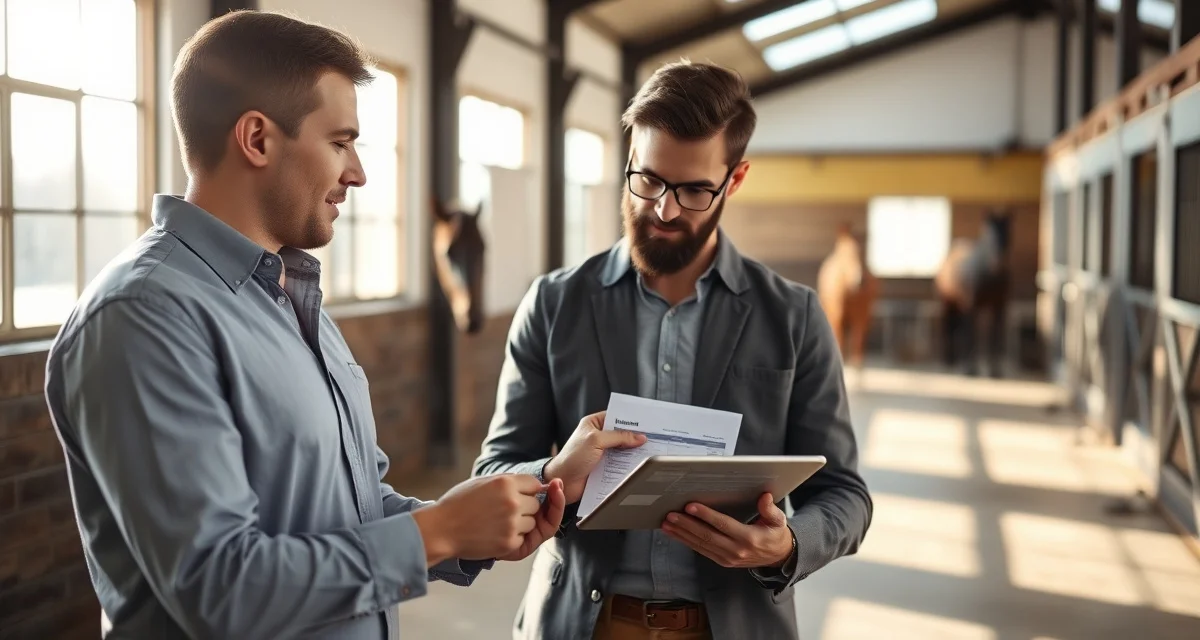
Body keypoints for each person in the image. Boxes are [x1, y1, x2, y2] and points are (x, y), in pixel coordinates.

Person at [43, 10, 565, 640]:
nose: (359, 173)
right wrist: (441, 531)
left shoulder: (288, 296)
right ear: (258, 139)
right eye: (341, 142)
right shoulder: (143, 317)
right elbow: (220, 588)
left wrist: (522, 499)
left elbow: (357, 508)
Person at [472, 60, 873, 639]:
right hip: (581, 623)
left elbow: (844, 495)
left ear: (734, 181)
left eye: (692, 191)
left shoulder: (794, 316)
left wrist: (788, 544)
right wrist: (556, 473)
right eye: (648, 180)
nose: (662, 209)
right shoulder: (554, 304)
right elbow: (495, 471)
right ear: (629, 157)